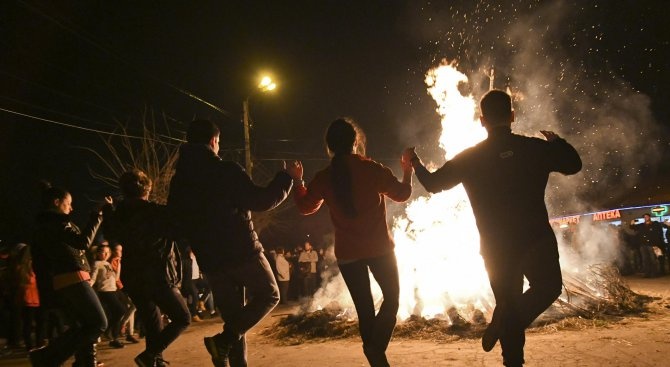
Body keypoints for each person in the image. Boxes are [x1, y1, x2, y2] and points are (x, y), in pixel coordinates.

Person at [404, 89, 582, 367]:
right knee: (548, 287)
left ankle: (510, 345)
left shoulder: (470, 157)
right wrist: (557, 142)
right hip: (536, 239)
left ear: (481, 119)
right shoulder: (534, 148)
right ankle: (506, 322)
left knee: (508, 303)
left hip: (496, 247)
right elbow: (574, 164)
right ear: (512, 116)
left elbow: (433, 184)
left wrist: (415, 163)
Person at [167, 119, 297, 367]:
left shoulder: (180, 181)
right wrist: (285, 178)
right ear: (214, 141)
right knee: (269, 295)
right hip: (242, 252)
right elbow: (260, 200)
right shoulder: (225, 170)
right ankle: (222, 342)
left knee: (235, 319)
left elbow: (175, 221)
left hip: (211, 261)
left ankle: (226, 349)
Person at [290, 117, 413, 367]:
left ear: (329, 147)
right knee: (392, 300)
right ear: (355, 142)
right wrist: (408, 170)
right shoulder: (371, 169)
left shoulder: (325, 177)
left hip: (348, 254)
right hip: (380, 249)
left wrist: (298, 181)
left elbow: (305, 207)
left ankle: (375, 356)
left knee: (365, 310)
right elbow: (402, 194)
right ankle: (376, 351)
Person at [104, 169, 190, 367]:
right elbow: (178, 231)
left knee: (153, 322)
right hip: (158, 274)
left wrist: (108, 210)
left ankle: (154, 361)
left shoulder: (118, 216)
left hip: (133, 277)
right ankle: (149, 355)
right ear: (147, 190)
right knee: (182, 317)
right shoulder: (155, 212)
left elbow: (110, 232)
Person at [29, 182, 111, 367]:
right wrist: (96, 214)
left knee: (84, 324)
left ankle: (86, 362)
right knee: (99, 323)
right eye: (68, 203)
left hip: (66, 279)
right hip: (72, 278)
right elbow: (83, 242)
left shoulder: (46, 224)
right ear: (57, 202)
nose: (71, 208)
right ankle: (47, 357)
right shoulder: (55, 223)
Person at [90, 245, 127, 349]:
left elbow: (115, 277)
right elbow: (93, 278)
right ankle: (108, 332)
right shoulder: (96, 264)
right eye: (103, 252)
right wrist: (88, 287)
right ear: (97, 253)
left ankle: (113, 337)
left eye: (108, 252)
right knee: (120, 311)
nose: (105, 254)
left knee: (119, 311)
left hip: (113, 290)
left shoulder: (107, 263)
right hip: (105, 291)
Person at [108, 243, 139, 344]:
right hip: (117, 288)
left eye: (121, 250)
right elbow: (116, 277)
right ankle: (123, 327)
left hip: (121, 287)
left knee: (132, 307)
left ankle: (129, 333)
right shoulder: (114, 261)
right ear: (113, 251)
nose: (121, 252)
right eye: (118, 250)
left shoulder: (119, 260)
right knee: (132, 306)